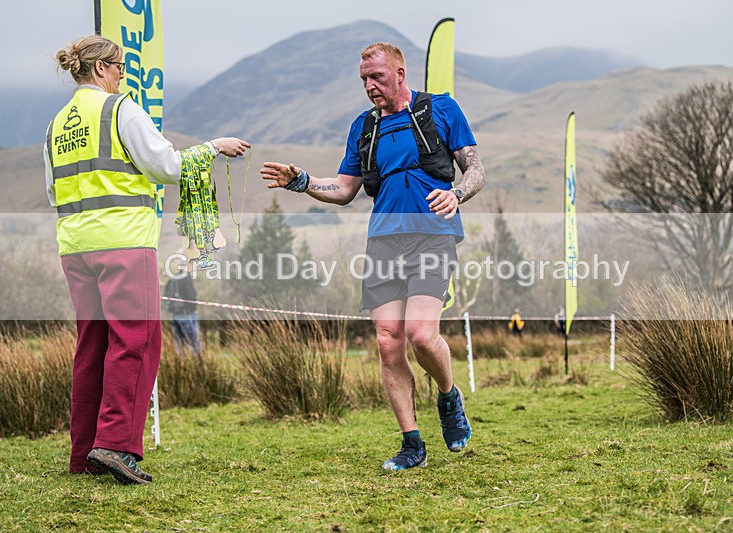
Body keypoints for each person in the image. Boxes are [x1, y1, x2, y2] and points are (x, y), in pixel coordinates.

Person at [260, 42, 485, 470]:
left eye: (377, 77)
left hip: (433, 236)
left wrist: (456, 194)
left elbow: (475, 169)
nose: (369, 86)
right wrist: (301, 180)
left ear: (400, 73)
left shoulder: (440, 109)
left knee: (420, 334)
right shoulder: (364, 129)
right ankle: (411, 443)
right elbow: (345, 190)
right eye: (363, 79)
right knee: (387, 341)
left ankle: (448, 396)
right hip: (383, 241)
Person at [44, 35, 250, 484]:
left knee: (92, 345)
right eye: (118, 66)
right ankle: (116, 446)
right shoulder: (121, 109)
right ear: (101, 69)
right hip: (123, 241)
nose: (123, 73)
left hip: (74, 245)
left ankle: (84, 453)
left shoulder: (56, 124)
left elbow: (50, 190)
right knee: (136, 340)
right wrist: (213, 146)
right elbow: (169, 167)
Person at [164, 265, 202, 355]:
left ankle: (181, 365)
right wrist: (193, 310)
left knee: (179, 343)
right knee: (194, 343)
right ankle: (197, 366)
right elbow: (192, 297)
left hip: (174, 315)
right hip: (187, 314)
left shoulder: (172, 279)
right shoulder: (186, 279)